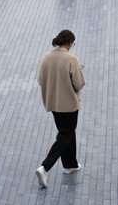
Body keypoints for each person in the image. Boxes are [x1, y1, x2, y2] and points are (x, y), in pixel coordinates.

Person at [35, 29, 85, 189]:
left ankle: (70, 164)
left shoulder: (46, 58)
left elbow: (40, 79)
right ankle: (45, 167)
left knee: (67, 132)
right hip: (69, 105)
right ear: (69, 42)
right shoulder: (71, 59)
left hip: (54, 104)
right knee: (66, 135)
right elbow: (79, 83)